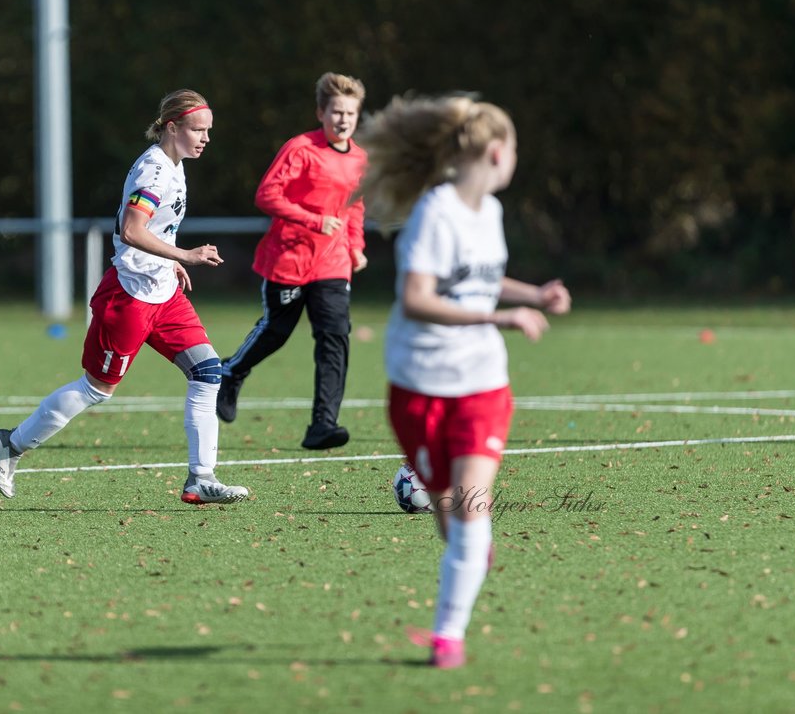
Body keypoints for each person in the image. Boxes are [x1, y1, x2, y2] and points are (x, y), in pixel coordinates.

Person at [357, 92, 571, 669]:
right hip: (419, 385)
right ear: (498, 152)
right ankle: (468, 548)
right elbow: (417, 298)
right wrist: (499, 317)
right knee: (452, 517)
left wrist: (534, 295)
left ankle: (447, 636)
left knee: (472, 511)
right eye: (518, 149)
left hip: (481, 384)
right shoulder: (436, 212)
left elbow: (483, 279)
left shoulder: (491, 214)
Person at [0, 89, 248, 504]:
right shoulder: (155, 170)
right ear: (173, 127)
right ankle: (10, 443)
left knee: (208, 373)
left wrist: (170, 260)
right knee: (97, 389)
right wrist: (184, 254)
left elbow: (152, 230)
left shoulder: (175, 165)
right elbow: (131, 229)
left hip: (163, 295)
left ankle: (200, 478)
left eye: (209, 131)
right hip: (128, 298)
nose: (206, 138)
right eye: (199, 130)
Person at [217, 72, 369, 450]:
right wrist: (313, 220)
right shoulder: (300, 148)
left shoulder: (361, 159)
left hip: (333, 264)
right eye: (336, 111)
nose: (343, 119)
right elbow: (267, 195)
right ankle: (231, 373)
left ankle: (323, 425)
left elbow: (355, 207)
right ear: (321, 112)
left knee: (334, 337)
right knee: (276, 331)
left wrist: (355, 245)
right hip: (290, 258)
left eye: (350, 112)